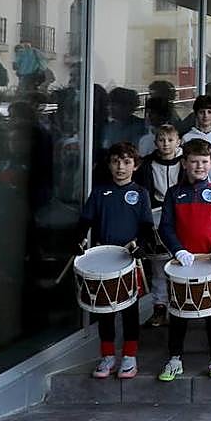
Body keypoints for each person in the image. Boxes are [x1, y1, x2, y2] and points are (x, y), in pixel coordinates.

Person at [79, 141, 156, 379]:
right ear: (109, 164)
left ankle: (130, 357)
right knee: (105, 311)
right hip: (103, 258)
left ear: (135, 165)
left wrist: (140, 245)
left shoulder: (141, 193)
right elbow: (85, 222)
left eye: (126, 162)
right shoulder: (99, 192)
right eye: (115, 162)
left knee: (130, 311)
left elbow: (146, 227)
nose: (120, 167)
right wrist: (78, 240)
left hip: (128, 259)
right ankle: (107, 356)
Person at [157, 139, 211, 382]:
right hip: (182, 264)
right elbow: (166, 227)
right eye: (194, 161)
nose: (199, 166)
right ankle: (175, 359)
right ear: (184, 163)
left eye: (204, 162)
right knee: (178, 312)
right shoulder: (173, 194)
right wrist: (178, 250)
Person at [134, 123, 181, 327]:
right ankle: (160, 307)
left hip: (179, 216)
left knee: (180, 262)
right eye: (161, 140)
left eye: (170, 140)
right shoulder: (147, 165)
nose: (166, 144)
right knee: (158, 266)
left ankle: (180, 305)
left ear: (178, 142)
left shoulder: (185, 162)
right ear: (155, 142)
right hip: (155, 216)